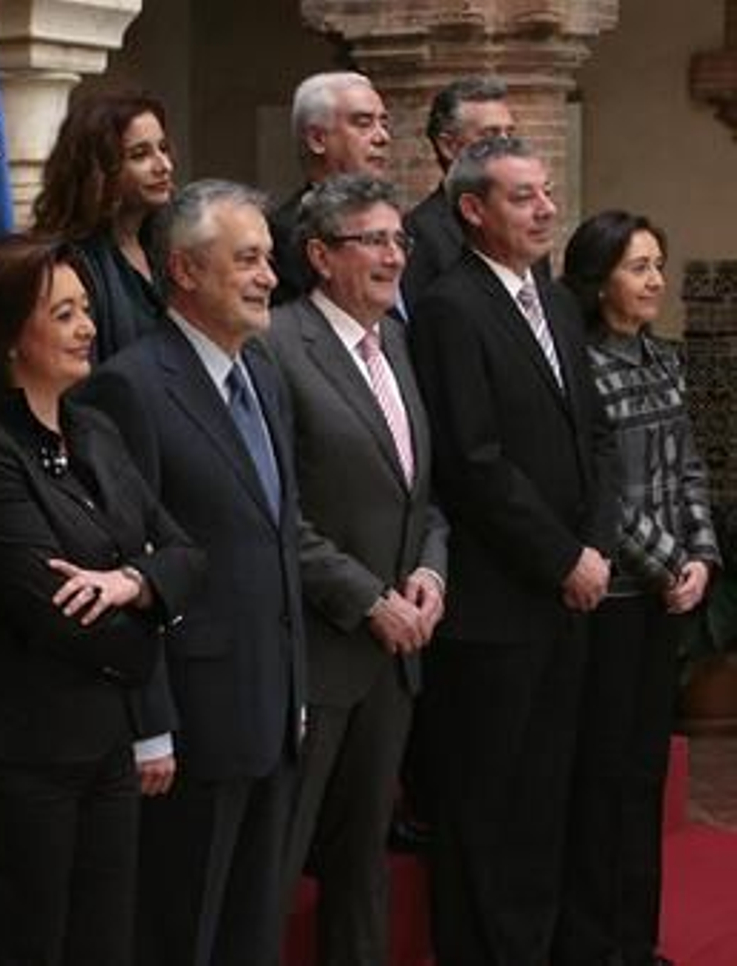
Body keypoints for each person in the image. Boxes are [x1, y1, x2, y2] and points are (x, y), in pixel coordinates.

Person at [0, 235, 204, 966]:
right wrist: (148, 612)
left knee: (105, 946)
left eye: (86, 309)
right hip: (21, 761)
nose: (89, 327)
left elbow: (185, 555)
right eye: (65, 313)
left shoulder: (93, 430)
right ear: (8, 336)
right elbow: (60, 620)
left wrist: (132, 583)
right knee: (29, 947)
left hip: (104, 747)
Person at [79, 180, 305, 966]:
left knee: (251, 931)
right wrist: (150, 723)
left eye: (268, 260)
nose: (268, 277)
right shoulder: (130, 385)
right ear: (183, 270)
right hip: (191, 720)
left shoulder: (266, 375)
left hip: (273, 705)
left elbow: (277, 540)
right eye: (246, 260)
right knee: (181, 931)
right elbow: (127, 561)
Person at [406, 136, 618, 966]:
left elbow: (594, 436)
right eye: (524, 196)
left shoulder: (557, 300)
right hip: (499, 604)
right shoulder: (454, 308)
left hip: (570, 593)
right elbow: (473, 461)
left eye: (545, 194)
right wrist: (562, 558)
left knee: (545, 800)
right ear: (472, 209)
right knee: (486, 809)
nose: (546, 209)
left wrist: (594, 545)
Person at [262, 174, 448, 966]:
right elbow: (276, 510)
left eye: (399, 240)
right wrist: (367, 598)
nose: (393, 256)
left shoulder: (397, 343)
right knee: (275, 866)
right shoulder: (276, 344)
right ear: (319, 254)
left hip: (394, 657)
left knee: (362, 863)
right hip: (318, 652)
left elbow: (424, 497)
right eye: (372, 240)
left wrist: (431, 575)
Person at [554, 210, 720, 966]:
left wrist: (702, 557)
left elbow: (687, 466)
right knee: (602, 774)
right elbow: (604, 494)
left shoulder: (662, 358)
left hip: (665, 594)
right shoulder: (581, 366)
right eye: (637, 266)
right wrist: (665, 566)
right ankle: (591, 943)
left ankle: (636, 938)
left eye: (658, 264)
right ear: (598, 280)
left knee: (645, 773)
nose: (655, 279)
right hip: (612, 598)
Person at [32, 89, 175, 362]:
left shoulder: (168, 245)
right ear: (98, 169)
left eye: (163, 148)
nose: (164, 165)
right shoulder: (68, 262)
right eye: (140, 154)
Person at [269, 72, 391, 307]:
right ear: (317, 139)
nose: (382, 137)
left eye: (384, 123)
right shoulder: (284, 235)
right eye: (364, 123)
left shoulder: (397, 222)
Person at [400, 76, 518, 309]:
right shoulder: (419, 232)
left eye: (510, 134)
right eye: (490, 135)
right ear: (449, 147)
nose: (506, 148)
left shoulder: (524, 221)